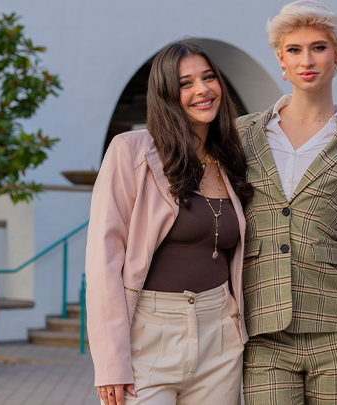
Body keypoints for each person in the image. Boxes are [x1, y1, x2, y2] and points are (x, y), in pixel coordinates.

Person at [235, 1, 337, 403]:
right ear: (280, 58)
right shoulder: (242, 135)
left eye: (318, 48)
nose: (307, 60)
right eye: (294, 50)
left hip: (335, 323)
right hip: (261, 325)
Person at [85, 41, 253, 405]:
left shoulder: (231, 158)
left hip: (220, 335)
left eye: (209, 78)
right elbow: (103, 261)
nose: (202, 90)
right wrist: (110, 362)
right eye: (185, 83)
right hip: (149, 334)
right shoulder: (131, 151)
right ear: (165, 94)